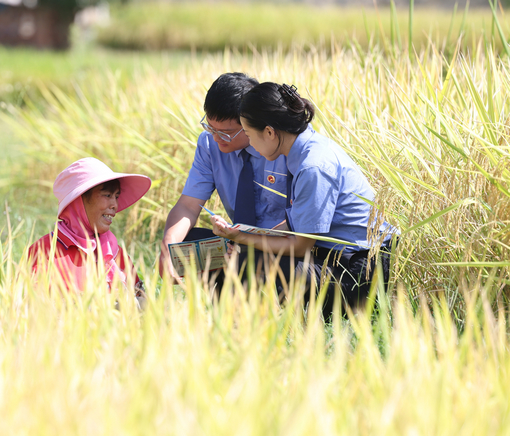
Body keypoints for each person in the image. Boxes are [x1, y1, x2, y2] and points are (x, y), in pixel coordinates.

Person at [209, 82, 395, 317]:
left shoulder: (313, 165)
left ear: (269, 132)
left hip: (357, 271)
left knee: (251, 264)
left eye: (248, 135)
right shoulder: (304, 150)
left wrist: (244, 238)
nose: (251, 145)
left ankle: (241, 326)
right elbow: (294, 222)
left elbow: (300, 245)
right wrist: (243, 240)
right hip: (335, 258)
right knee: (242, 256)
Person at [158, 72, 290, 282]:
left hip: (282, 246)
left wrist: (256, 244)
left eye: (226, 132)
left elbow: (300, 221)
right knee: (184, 247)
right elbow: (189, 206)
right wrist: (168, 246)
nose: (216, 138)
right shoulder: (209, 145)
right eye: (210, 127)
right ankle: (223, 307)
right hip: (239, 244)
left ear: (250, 123)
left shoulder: (284, 145)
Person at [27, 157, 151, 297]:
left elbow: (142, 306)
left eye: (116, 196)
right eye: (107, 195)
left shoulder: (114, 252)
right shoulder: (45, 252)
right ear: (78, 201)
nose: (115, 205)